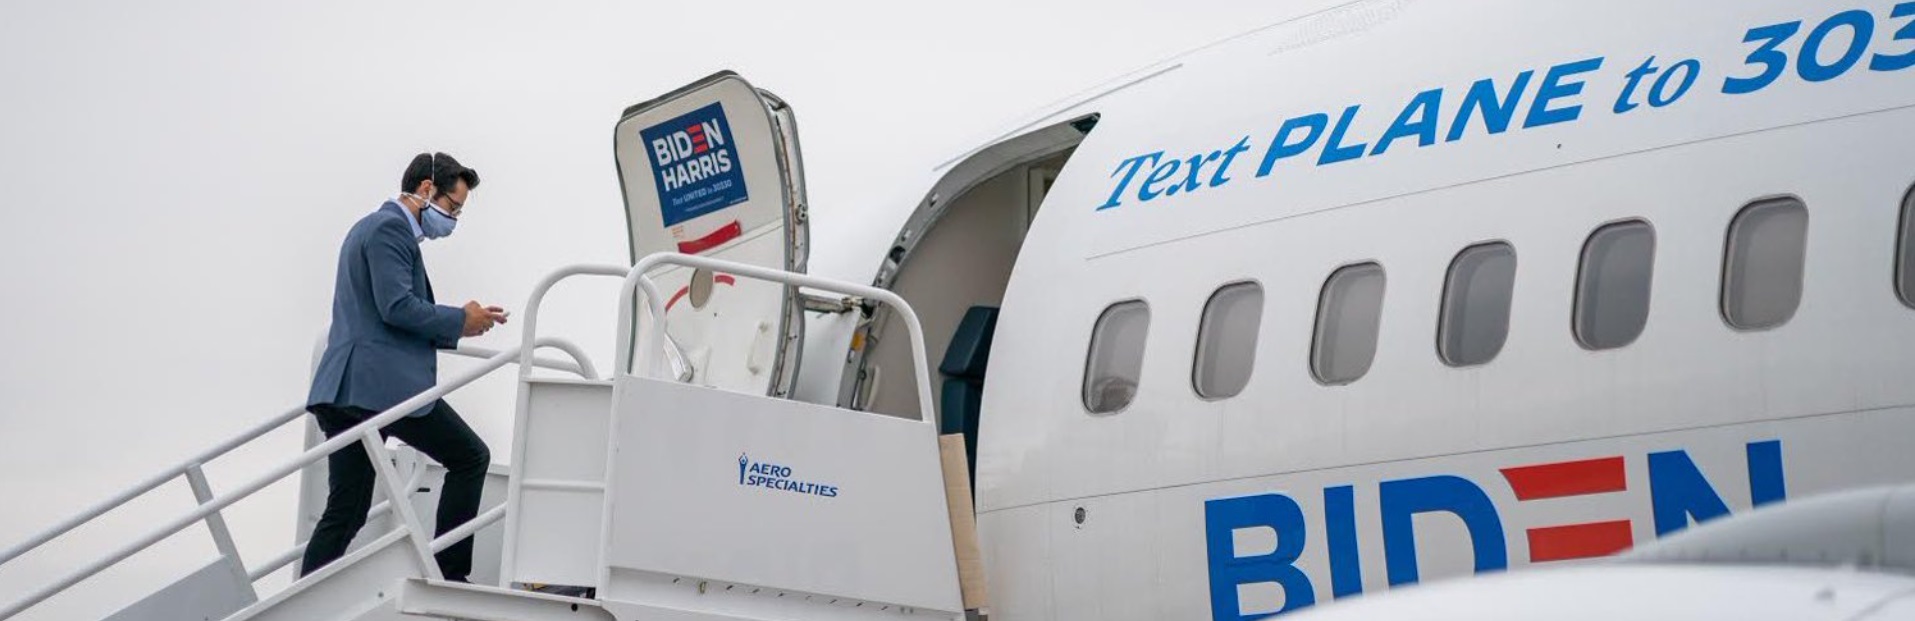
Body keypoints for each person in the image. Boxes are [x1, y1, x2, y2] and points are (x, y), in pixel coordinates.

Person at [301, 152, 506, 581]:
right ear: (426, 190)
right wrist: (459, 320)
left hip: (352, 390)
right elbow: (396, 306)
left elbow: (385, 311)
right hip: (379, 388)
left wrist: (464, 321)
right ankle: (450, 575)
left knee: (349, 508)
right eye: (452, 207)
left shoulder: (372, 228)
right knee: (470, 457)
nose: (452, 220)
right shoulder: (390, 228)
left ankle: (301, 602)